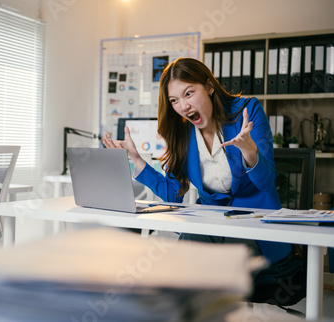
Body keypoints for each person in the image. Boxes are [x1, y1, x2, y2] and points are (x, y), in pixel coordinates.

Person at [102, 57, 305, 305]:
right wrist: (137, 159)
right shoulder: (183, 133)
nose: (183, 106)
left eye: (189, 93)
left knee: (194, 266)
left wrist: (249, 151)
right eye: (174, 100)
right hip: (213, 230)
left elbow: (266, 182)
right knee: (189, 258)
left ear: (209, 86)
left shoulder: (246, 111)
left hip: (257, 232)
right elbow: (173, 193)